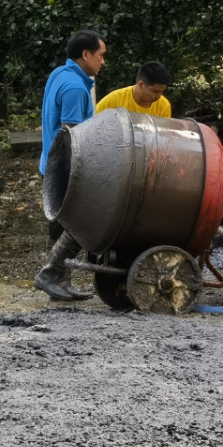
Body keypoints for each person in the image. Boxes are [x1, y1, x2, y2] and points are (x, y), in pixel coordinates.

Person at [35, 29, 107, 301]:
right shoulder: (76, 88)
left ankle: (58, 282)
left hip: (50, 162)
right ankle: (52, 276)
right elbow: (73, 137)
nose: (102, 62)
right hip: (67, 167)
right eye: (100, 56)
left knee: (62, 225)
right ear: (86, 54)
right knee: (82, 224)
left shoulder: (59, 74)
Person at [96, 62, 172, 117]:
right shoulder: (113, 101)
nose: (158, 96)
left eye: (162, 91)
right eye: (155, 91)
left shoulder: (163, 106)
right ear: (141, 84)